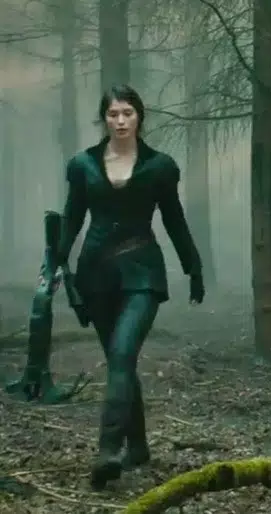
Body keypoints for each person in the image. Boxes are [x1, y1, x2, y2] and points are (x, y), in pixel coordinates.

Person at [57, 84, 205, 490]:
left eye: (128, 113)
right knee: (119, 361)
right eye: (113, 114)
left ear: (140, 116)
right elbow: (72, 218)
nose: (120, 121)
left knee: (122, 353)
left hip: (143, 273)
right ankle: (137, 447)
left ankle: (108, 450)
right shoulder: (82, 165)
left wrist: (193, 266)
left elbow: (173, 218)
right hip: (95, 274)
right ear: (104, 118)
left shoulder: (160, 167)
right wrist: (57, 263)